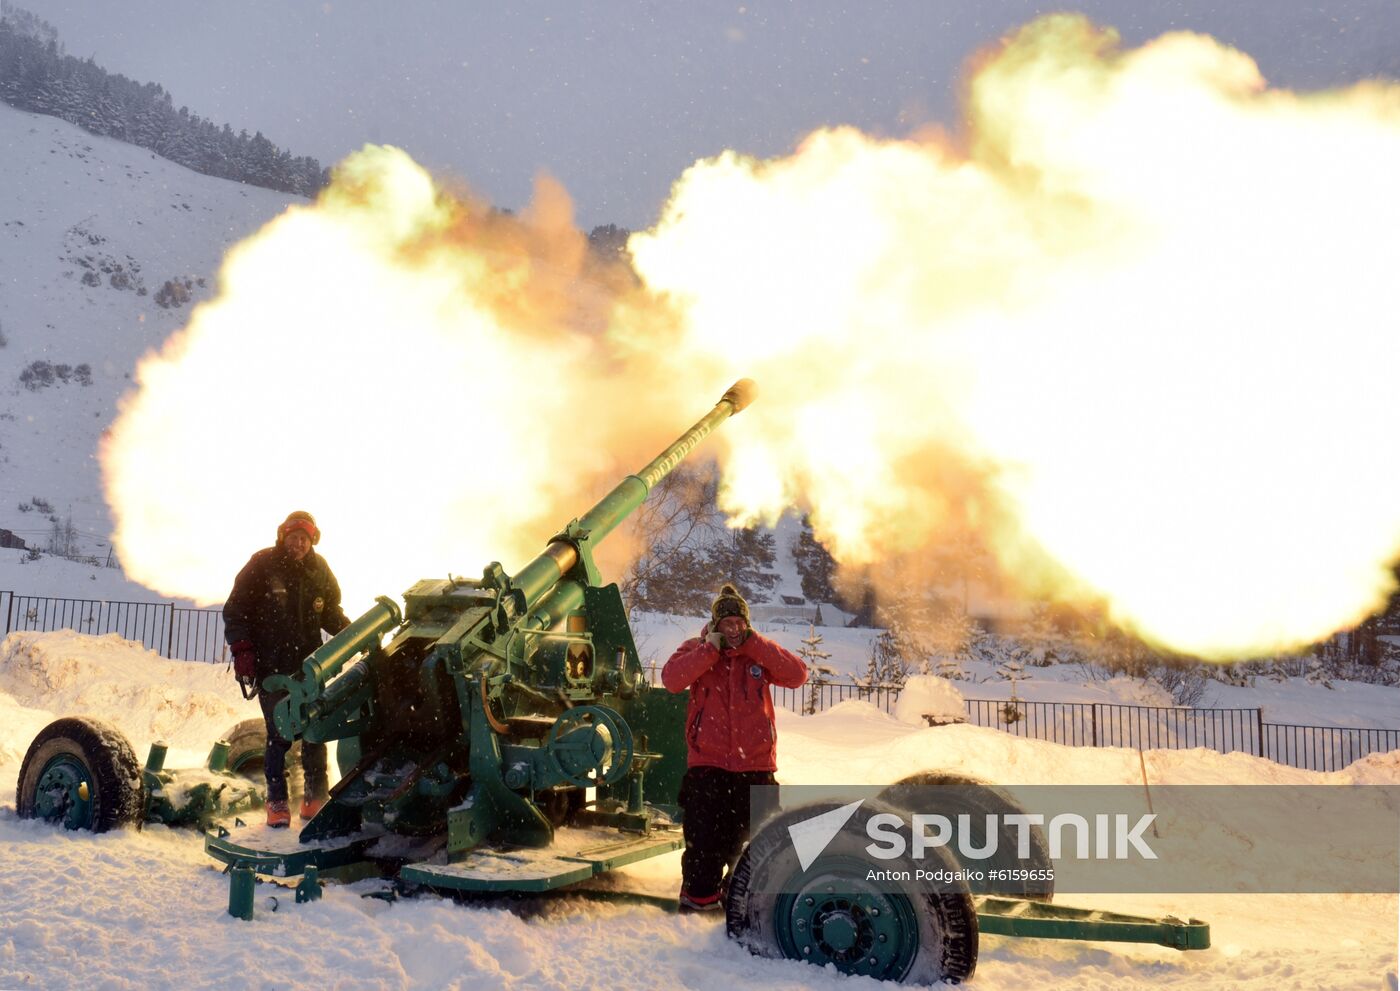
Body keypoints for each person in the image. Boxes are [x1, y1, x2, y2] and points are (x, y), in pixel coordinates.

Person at [661, 583, 808, 913]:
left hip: (756, 767)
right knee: (704, 848)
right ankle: (699, 905)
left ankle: (742, 901)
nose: (733, 630)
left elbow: (797, 675)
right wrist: (708, 650)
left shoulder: (757, 654)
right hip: (708, 768)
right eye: (726, 623)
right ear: (714, 624)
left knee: (761, 845)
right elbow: (671, 680)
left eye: (739, 623)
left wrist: (756, 644)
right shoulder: (695, 649)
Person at [224, 511, 350, 828]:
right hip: (272, 666)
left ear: (312, 541)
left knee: (313, 730)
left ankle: (314, 798)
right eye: (294, 538)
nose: (298, 544)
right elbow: (235, 610)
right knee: (279, 733)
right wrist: (242, 651)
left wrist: (352, 633)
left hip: (308, 667)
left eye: (304, 539)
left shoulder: (319, 569)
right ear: (283, 537)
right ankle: (277, 801)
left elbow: (331, 612)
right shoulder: (262, 564)